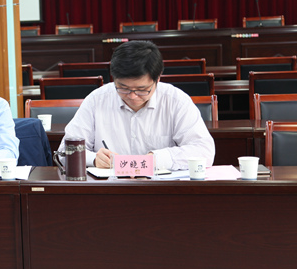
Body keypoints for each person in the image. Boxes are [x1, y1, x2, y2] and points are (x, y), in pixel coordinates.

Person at [59, 40, 215, 171]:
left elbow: (204, 151)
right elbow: (64, 152)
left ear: (158, 78)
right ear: (113, 78)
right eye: (123, 88)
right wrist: (94, 159)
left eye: (142, 89)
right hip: (109, 190)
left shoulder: (176, 101)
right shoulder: (96, 100)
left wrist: (155, 159)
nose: (132, 96)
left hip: (161, 190)